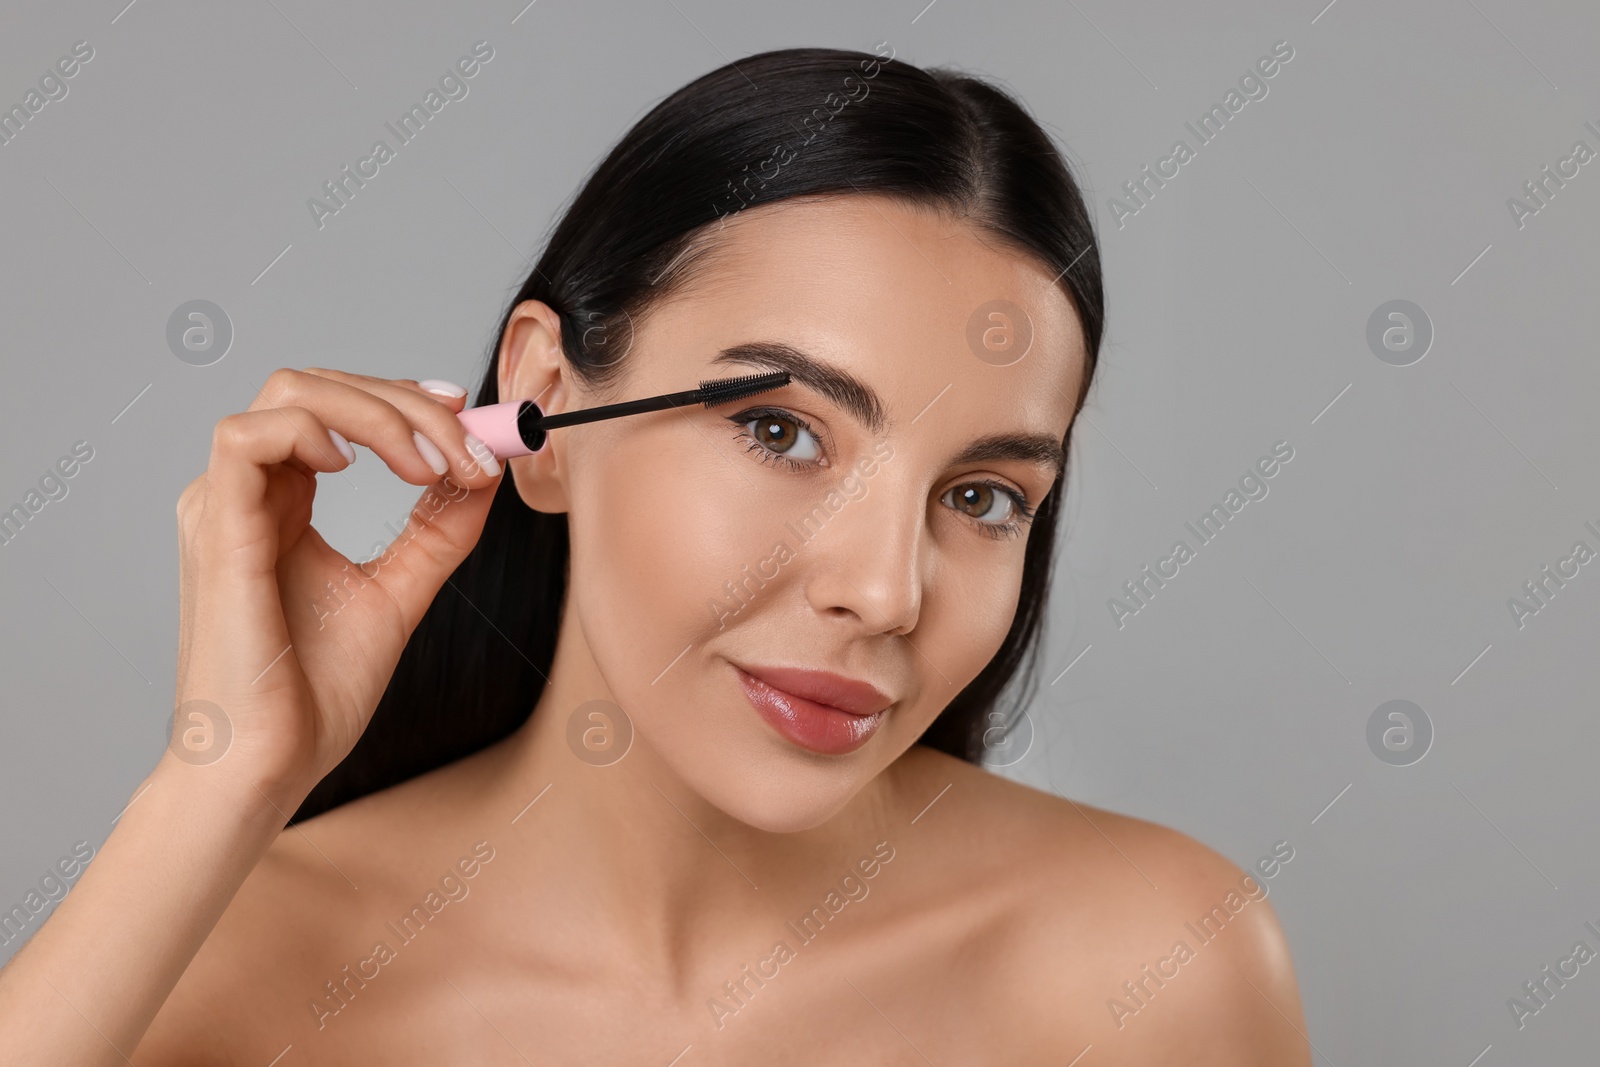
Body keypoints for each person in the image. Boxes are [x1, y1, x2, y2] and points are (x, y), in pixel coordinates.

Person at [0, 45, 1310, 1064]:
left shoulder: (1147, 968)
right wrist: (216, 786)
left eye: (980, 495)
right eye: (781, 430)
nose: (885, 589)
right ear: (546, 408)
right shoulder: (218, 976)